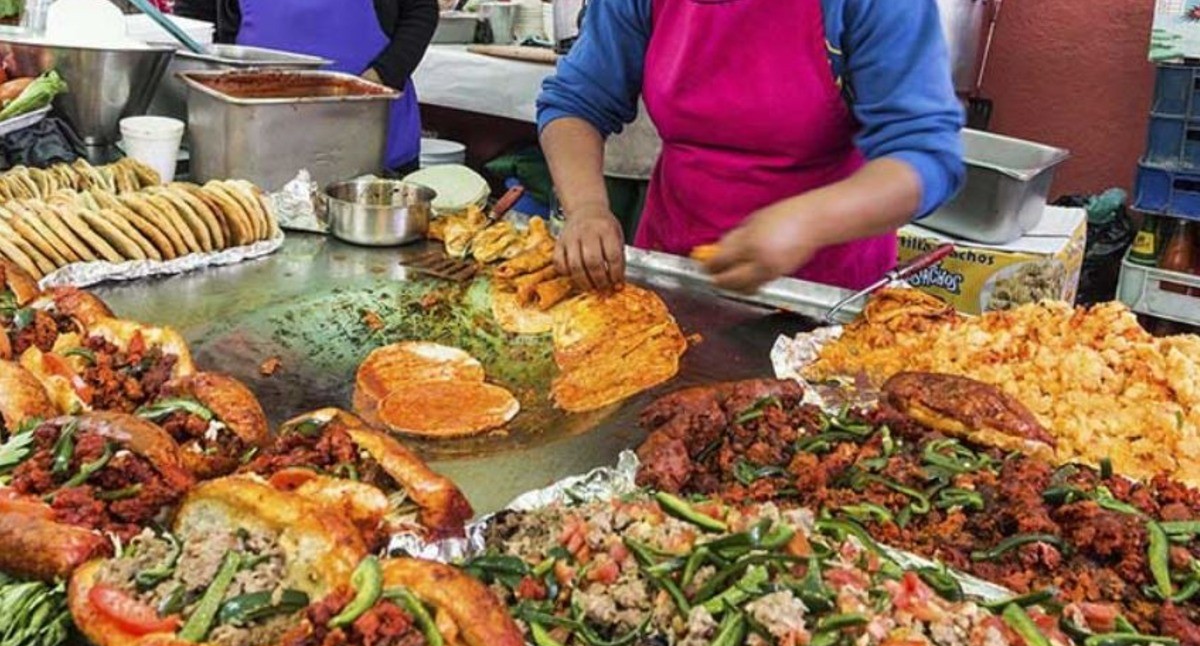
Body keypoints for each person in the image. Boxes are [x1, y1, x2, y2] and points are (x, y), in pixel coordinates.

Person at [538, 0, 965, 293]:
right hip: (677, 275)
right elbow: (577, 101)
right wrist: (586, 209)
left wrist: (808, 223)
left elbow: (924, 154)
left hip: (823, 293)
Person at [174, 0, 438, 172]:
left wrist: (381, 77)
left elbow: (420, 10)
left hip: (371, 143)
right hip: (255, 145)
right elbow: (195, 20)